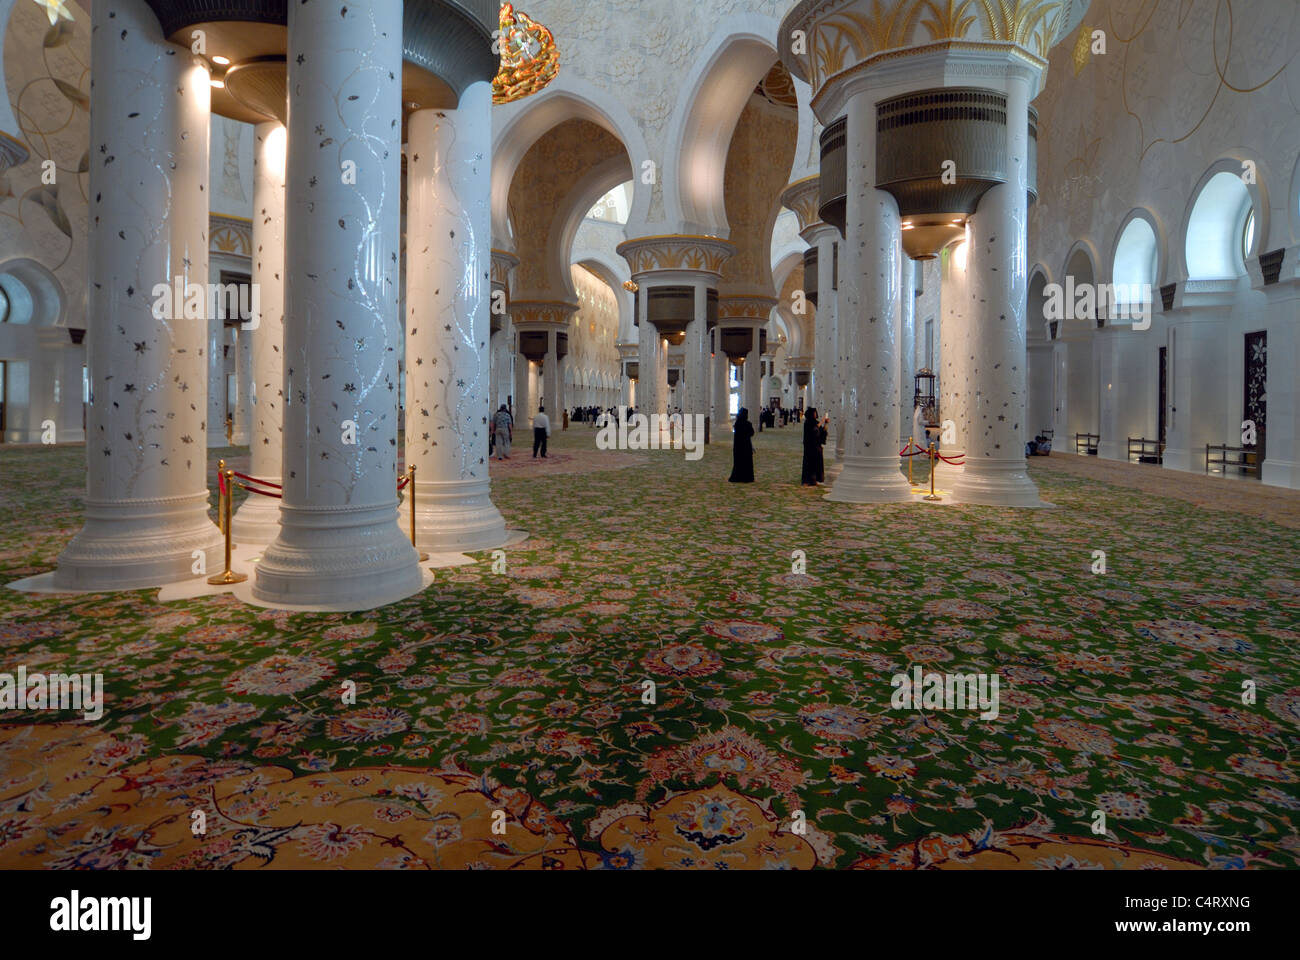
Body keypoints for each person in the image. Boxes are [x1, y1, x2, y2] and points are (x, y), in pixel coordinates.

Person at [801, 406, 828, 485]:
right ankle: (808, 479)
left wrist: (825, 424)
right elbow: (814, 430)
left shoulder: (816, 422)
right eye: (814, 413)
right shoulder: (808, 423)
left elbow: (821, 432)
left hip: (816, 446)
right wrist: (822, 422)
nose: (816, 414)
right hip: (810, 447)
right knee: (809, 463)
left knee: (817, 464)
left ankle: (815, 479)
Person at [729, 407, 755, 483]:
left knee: (738, 462)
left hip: (738, 446)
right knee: (746, 462)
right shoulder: (748, 424)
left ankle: (737, 477)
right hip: (746, 446)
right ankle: (747, 478)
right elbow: (752, 433)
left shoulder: (737, 424)